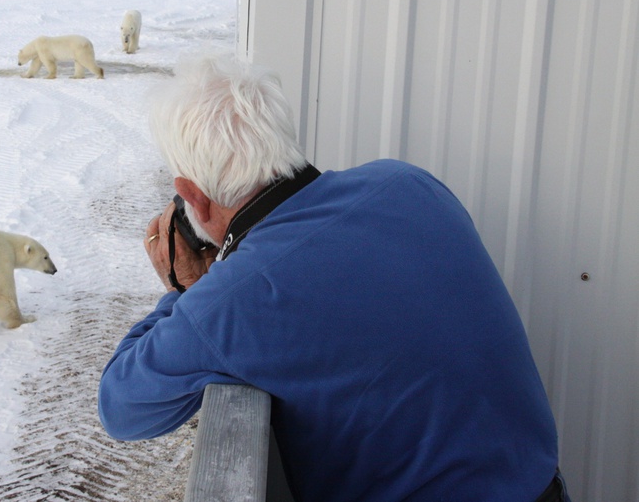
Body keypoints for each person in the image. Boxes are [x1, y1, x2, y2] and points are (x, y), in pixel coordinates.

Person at [98, 53, 568, 502]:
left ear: (192, 198)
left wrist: (184, 290)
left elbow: (120, 407)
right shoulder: (409, 183)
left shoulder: (234, 298)